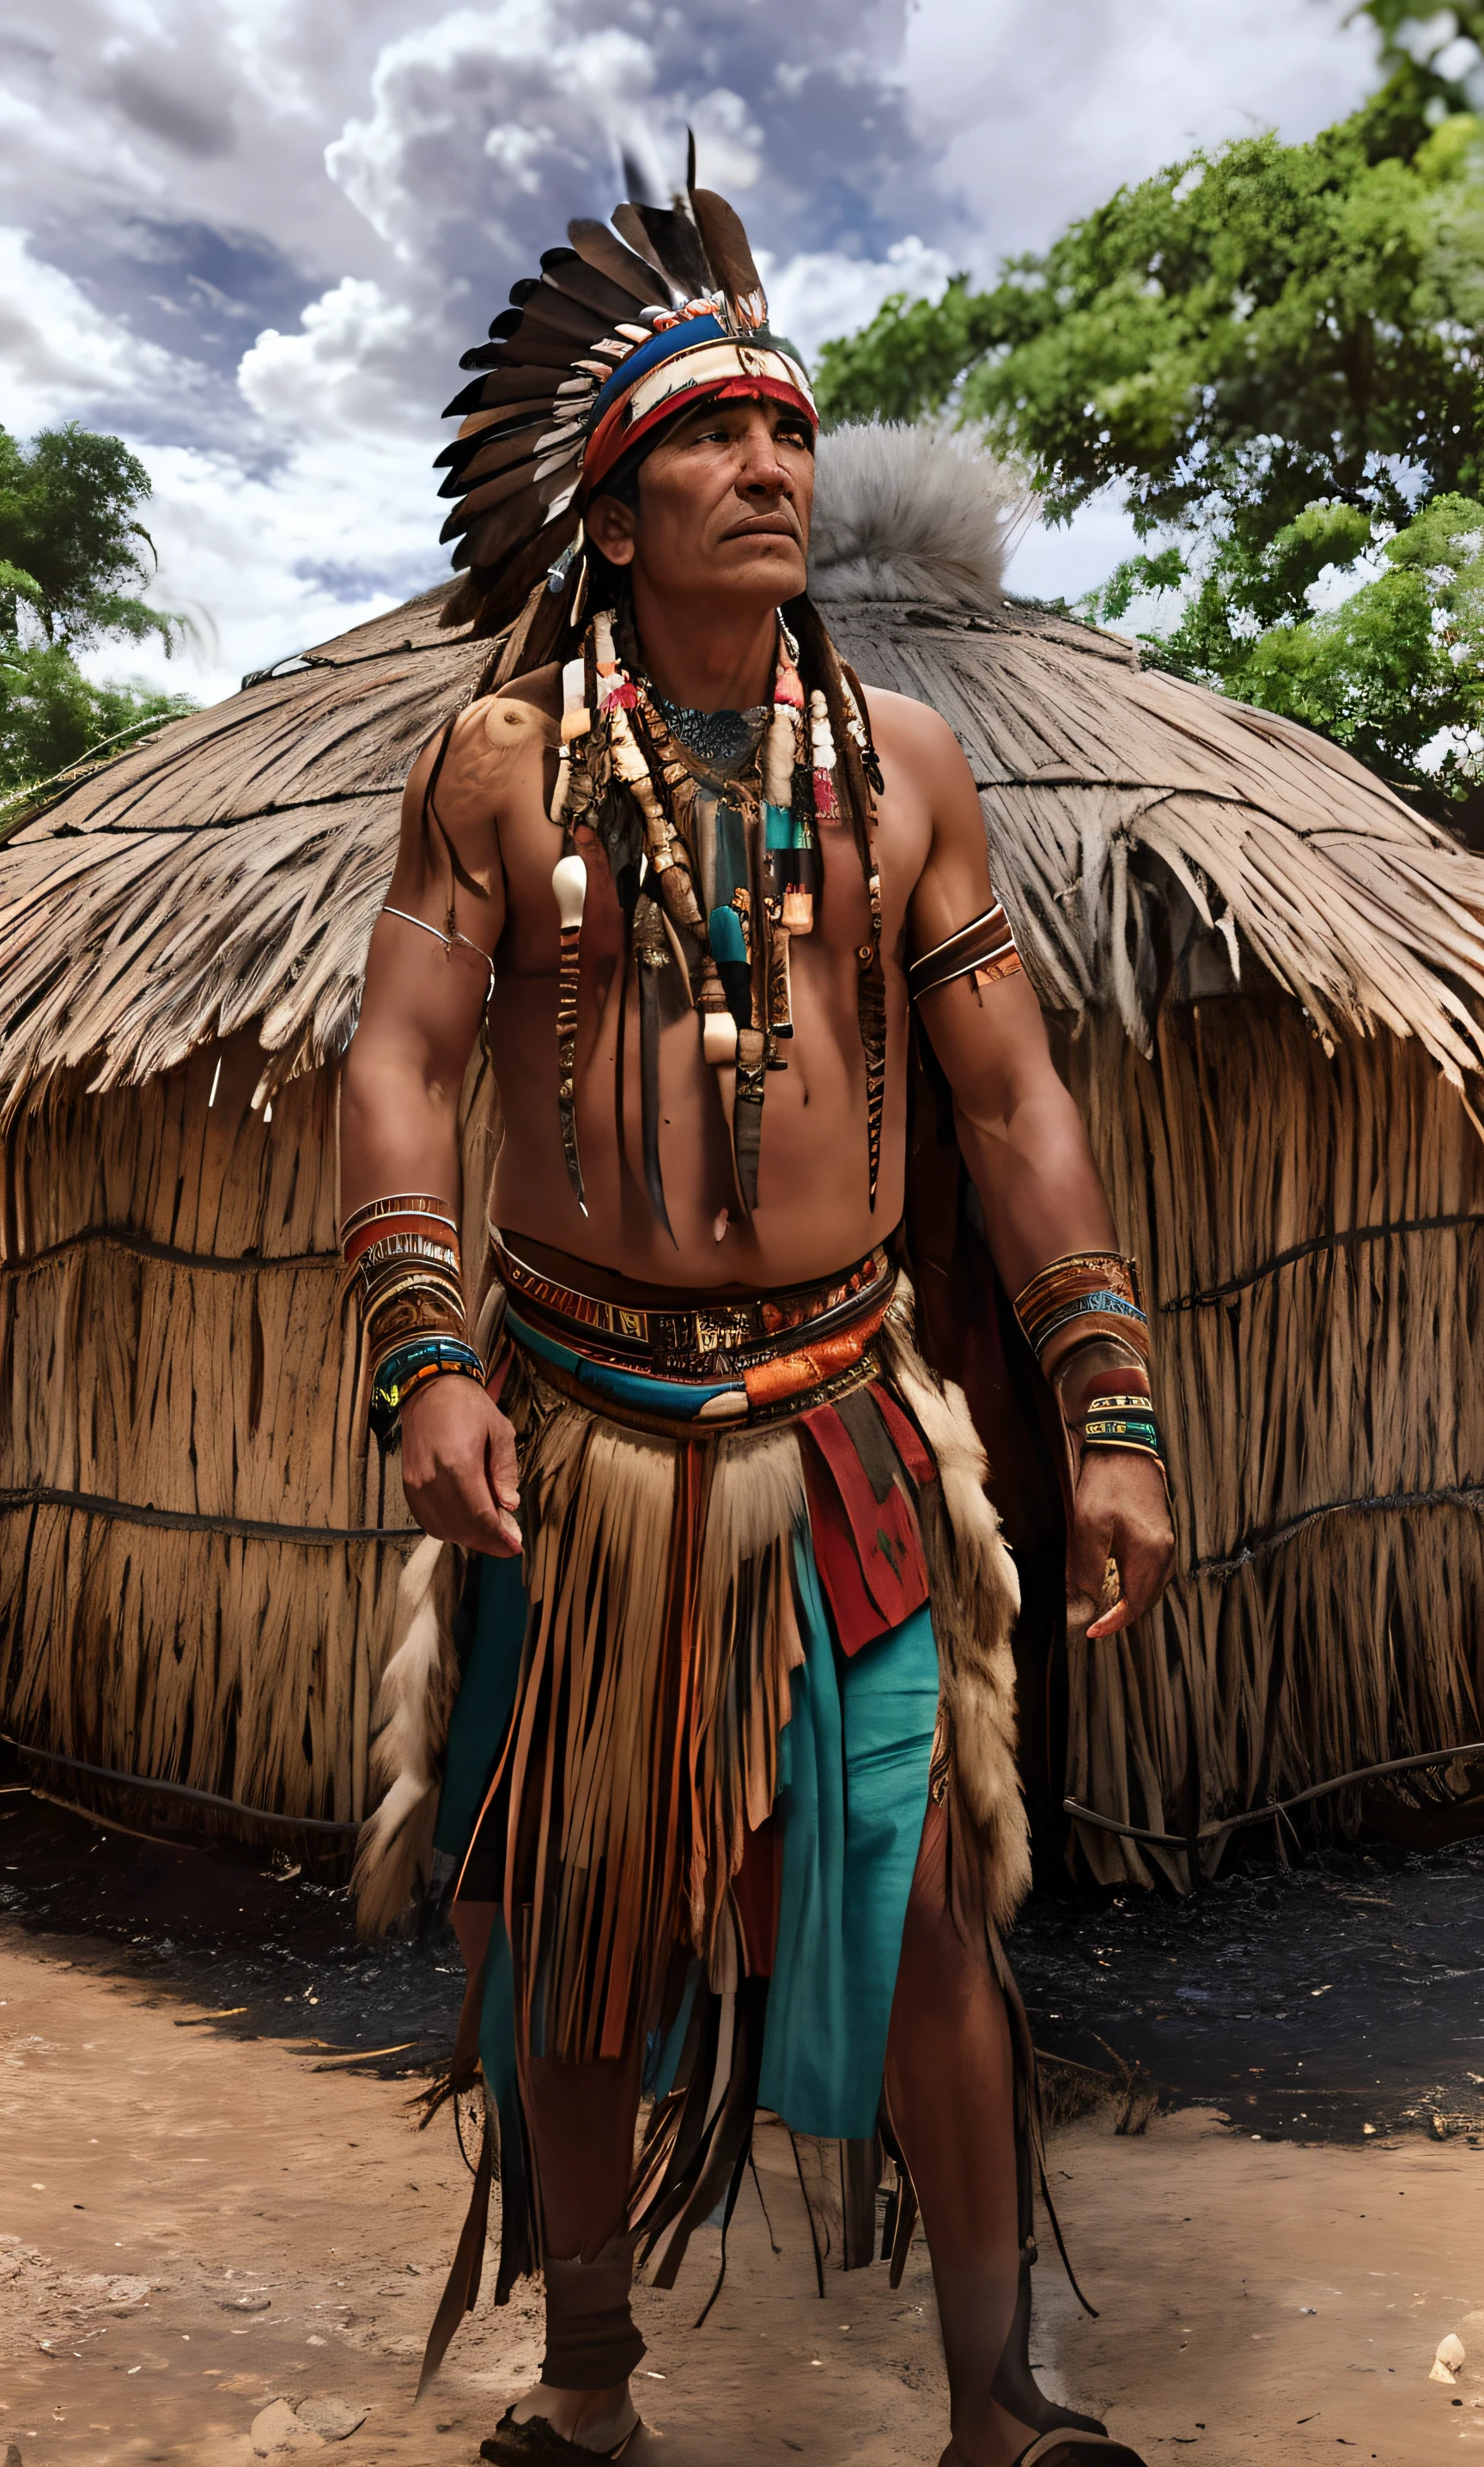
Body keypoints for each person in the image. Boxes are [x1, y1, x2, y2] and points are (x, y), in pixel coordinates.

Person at [338, 161, 1175, 2467]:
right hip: (582, 1433)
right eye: (711, 439)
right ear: (611, 514)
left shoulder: (903, 771)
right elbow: (399, 1062)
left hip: (840, 1433)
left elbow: (1009, 1105)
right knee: (578, 1936)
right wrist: (422, 1358)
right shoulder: (496, 771)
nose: (769, 467)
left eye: (790, 432)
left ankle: (999, 2408)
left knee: (921, 1926)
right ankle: (589, 2398)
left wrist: (1111, 1407)